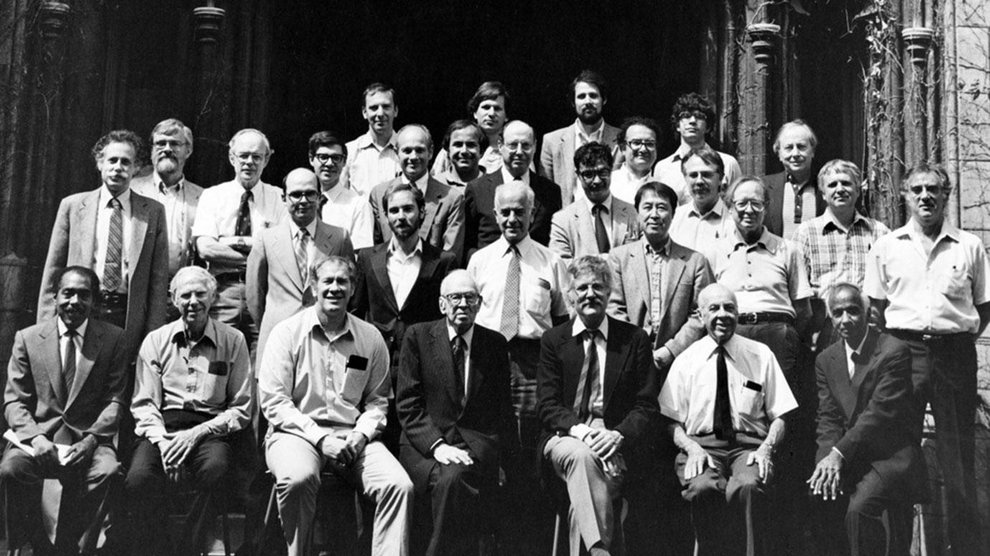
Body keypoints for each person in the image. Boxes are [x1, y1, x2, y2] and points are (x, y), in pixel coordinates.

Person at [864, 163, 990, 556]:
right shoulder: (887, 246)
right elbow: (875, 307)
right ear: (905, 195)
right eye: (917, 189)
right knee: (899, 453)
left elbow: (983, 308)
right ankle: (898, 548)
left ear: (946, 195)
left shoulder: (969, 246)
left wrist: (955, 336)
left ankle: (966, 548)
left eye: (933, 189)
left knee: (957, 457)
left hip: (954, 355)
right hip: (904, 350)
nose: (925, 196)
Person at [259, 256, 413, 556]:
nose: (334, 288)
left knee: (399, 486)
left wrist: (362, 434)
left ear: (354, 287)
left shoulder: (370, 337)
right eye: (327, 281)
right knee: (298, 478)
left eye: (342, 281)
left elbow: (378, 400)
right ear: (313, 286)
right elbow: (275, 402)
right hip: (296, 435)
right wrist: (320, 438)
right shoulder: (286, 333)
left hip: (352, 438)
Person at [659, 284, 798, 556]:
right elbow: (671, 421)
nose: (723, 315)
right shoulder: (686, 360)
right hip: (701, 447)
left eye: (729, 308)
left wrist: (766, 448)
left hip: (748, 448)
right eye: (714, 308)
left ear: (738, 313)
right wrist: (692, 448)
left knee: (747, 487)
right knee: (702, 488)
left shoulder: (760, 355)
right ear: (700, 316)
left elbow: (780, 414)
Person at [126, 266, 256, 556]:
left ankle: (188, 546)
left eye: (201, 294)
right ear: (174, 299)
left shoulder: (233, 340)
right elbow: (144, 403)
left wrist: (197, 434)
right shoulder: (156, 341)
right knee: (138, 479)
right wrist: (164, 444)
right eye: (185, 295)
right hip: (163, 427)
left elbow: (241, 408)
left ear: (213, 298)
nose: (193, 301)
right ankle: (161, 546)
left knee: (216, 470)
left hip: (210, 428)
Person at [537, 256, 660, 556]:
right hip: (565, 437)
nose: (590, 293)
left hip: (614, 440)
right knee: (582, 457)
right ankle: (600, 549)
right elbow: (547, 404)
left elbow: (646, 405)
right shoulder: (554, 340)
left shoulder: (634, 339)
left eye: (598, 287)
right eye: (582, 288)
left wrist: (618, 435)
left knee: (584, 495)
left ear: (609, 293)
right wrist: (582, 432)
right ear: (570, 295)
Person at [3, 267, 127, 555]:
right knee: (11, 469)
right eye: (67, 293)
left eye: (84, 295)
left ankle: (81, 549)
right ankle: (27, 544)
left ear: (95, 301)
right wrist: (36, 439)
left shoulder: (113, 339)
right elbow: (14, 401)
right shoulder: (28, 338)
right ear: (55, 296)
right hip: (38, 440)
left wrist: (92, 439)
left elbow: (116, 401)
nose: (74, 301)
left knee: (108, 470)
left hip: (88, 440)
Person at [395, 270, 515, 556]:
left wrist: (502, 461)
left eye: (470, 297)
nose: (463, 304)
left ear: (480, 303)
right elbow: (408, 403)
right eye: (455, 297)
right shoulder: (418, 336)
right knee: (454, 479)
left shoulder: (494, 344)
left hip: (476, 443)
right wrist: (438, 446)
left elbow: (502, 409)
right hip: (424, 445)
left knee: (460, 479)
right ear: (442, 304)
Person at [808, 283, 926, 556]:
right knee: (818, 498)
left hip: (890, 456)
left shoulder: (893, 350)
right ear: (830, 317)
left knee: (859, 510)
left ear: (868, 313)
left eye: (853, 311)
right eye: (837, 313)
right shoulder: (826, 359)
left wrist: (838, 454)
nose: (845, 320)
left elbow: (879, 414)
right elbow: (828, 417)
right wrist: (825, 462)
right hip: (850, 455)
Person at [38, 129, 169, 359]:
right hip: (82, 308)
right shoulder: (73, 206)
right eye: (112, 160)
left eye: (126, 162)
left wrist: (153, 335)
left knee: (118, 382)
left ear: (136, 168)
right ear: (100, 164)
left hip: (126, 314)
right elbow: (53, 271)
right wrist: (46, 326)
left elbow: (158, 281)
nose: (118, 167)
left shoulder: (153, 212)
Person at [193, 128, 287, 356]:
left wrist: (232, 241)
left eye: (256, 156)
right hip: (223, 291)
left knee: (261, 362)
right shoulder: (212, 196)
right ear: (231, 158)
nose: (249, 162)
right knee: (218, 359)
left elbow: (281, 250)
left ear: (266, 159)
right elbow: (206, 249)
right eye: (243, 155)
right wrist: (258, 249)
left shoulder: (279, 197)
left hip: (265, 293)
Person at [246, 168, 354, 364]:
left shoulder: (340, 238)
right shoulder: (266, 238)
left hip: (325, 339)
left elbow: (350, 291)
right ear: (284, 198)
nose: (303, 201)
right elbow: (254, 295)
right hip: (276, 339)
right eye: (296, 194)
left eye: (310, 194)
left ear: (320, 197)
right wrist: (274, 323)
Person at [608, 182, 713, 371]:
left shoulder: (695, 261)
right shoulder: (618, 258)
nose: (654, 215)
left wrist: (671, 351)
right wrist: (636, 349)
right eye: (647, 207)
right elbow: (614, 307)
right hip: (629, 361)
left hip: (680, 363)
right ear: (637, 212)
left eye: (662, 208)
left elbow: (700, 314)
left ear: (673, 214)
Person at [352, 182, 458, 362]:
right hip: (376, 361)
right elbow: (355, 315)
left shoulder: (443, 261)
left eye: (408, 209)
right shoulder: (367, 258)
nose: (401, 216)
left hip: (424, 361)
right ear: (385, 216)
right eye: (394, 211)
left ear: (422, 212)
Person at [793, 160, 889, 352]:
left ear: (858, 190)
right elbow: (798, 289)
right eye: (832, 185)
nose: (840, 189)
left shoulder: (879, 232)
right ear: (823, 193)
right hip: (824, 328)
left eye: (846, 183)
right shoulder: (807, 232)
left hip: (868, 326)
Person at [463, 120, 562, 262]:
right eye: (513, 145)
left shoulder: (550, 191)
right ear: (500, 145)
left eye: (526, 145)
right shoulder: (477, 189)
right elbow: (468, 243)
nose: (519, 152)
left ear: (535, 147)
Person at [369, 124, 464, 260]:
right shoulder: (379, 194)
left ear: (430, 152)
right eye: (407, 151)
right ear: (396, 153)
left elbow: (450, 257)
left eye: (419, 150)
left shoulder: (452, 198)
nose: (413, 157)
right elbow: (376, 252)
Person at [130, 118, 204, 284]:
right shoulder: (131, 190)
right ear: (152, 150)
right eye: (160, 144)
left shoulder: (203, 197)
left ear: (188, 150)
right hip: (137, 286)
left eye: (175, 144)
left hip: (182, 290)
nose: (167, 149)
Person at [539, 70, 621, 205]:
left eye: (593, 96)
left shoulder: (620, 139)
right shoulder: (552, 141)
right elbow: (546, 192)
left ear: (604, 100)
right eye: (581, 96)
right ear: (573, 102)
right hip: (567, 220)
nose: (588, 101)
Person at [548, 142, 639, 261]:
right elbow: (561, 266)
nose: (596, 181)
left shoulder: (633, 214)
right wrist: (609, 260)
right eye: (588, 174)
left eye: (602, 173)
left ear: (611, 170)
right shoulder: (563, 220)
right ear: (578, 175)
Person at [652, 93, 741, 205]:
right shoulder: (663, 167)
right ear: (677, 126)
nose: (693, 120)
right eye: (685, 116)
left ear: (708, 127)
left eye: (699, 116)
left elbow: (737, 205)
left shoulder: (728, 163)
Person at [667, 146, 735, 264]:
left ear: (721, 178)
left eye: (707, 175)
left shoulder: (733, 220)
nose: (699, 181)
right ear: (685, 178)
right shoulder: (674, 218)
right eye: (693, 175)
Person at [308, 130, 374, 249]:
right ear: (311, 159)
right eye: (323, 157)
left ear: (344, 162)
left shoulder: (358, 205)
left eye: (336, 158)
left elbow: (362, 256)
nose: (329, 163)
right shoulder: (305, 201)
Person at [431, 81, 510, 177]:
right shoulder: (452, 150)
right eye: (486, 107)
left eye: (497, 108)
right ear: (475, 113)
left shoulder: (512, 152)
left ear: (506, 116)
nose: (491, 113)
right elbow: (434, 185)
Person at [763, 120, 824, 239]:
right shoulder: (764, 186)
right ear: (779, 153)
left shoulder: (826, 187)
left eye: (801, 147)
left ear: (813, 151)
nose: (795, 153)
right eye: (789, 148)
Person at [343, 83, 401, 197]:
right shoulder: (349, 151)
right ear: (365, 112)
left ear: (396, 111)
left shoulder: (408, 149)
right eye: (374, 108)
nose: (380, 113)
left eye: (386, 106)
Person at [609, 117, 661, 206]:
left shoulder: (664, 187)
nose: (643, 149)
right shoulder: (608, 182)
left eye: (649, 144)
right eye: (636, 143)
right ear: (623, 149)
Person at [435, 119, 488, 188]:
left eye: (471, 145)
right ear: (448, 150)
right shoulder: (433, 185)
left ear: (481, 151)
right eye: (458, 144)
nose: (464, 151)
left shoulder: (494, 186)